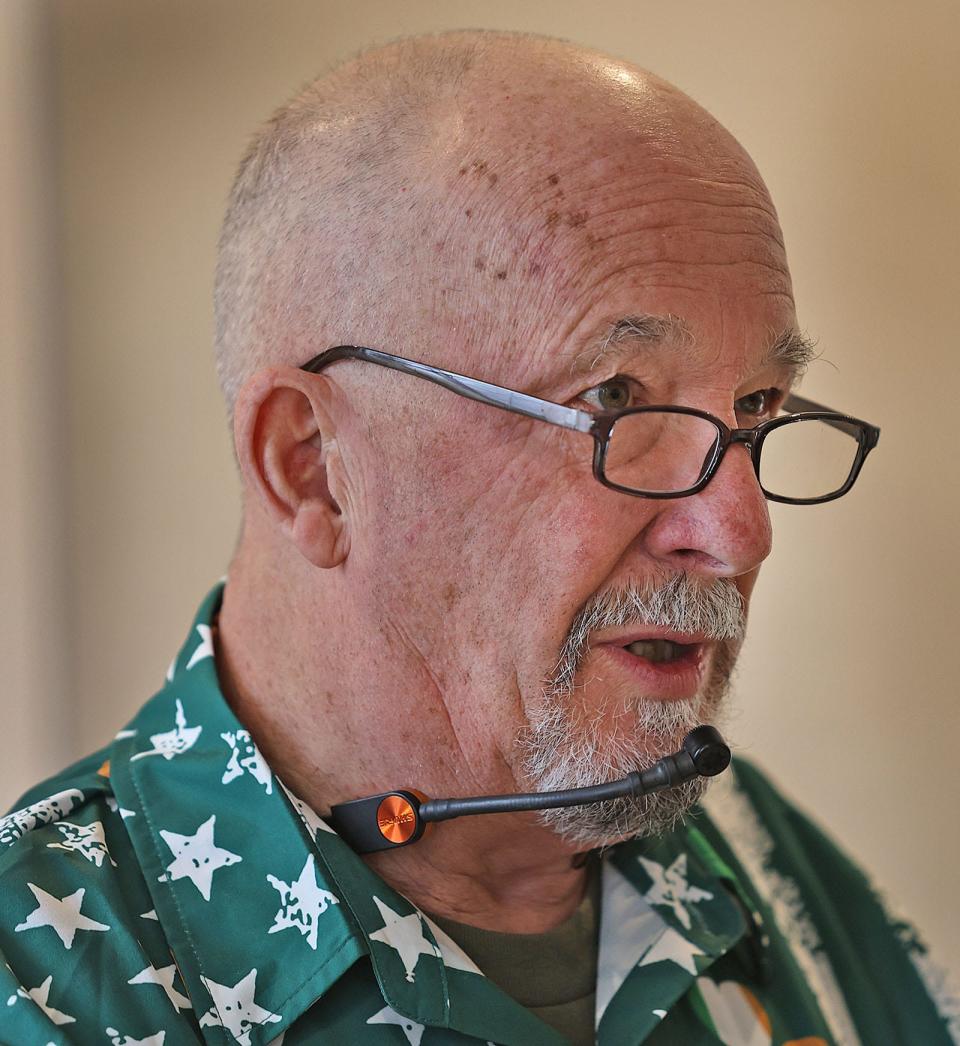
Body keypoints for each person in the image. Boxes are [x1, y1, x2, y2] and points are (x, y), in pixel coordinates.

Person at [0, 29, 954, 1046]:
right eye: (614, 399)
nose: (737, 530)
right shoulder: (47, 971)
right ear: (313, 466)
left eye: (759, 403)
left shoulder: (771, 873)